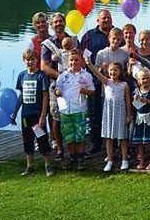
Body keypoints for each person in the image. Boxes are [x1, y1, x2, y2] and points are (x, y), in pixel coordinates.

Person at [40, 12, 78, 160]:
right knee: (57, 117)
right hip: (57, 88)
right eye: (55, 22)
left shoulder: (74, 41)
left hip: (74, 87)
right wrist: (61, 77)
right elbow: (44, 67)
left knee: (74, 116)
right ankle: (60, 149)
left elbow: (79, 59)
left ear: (65, 23)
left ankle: (75, 149)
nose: (58, 24)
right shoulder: (48, 45)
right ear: (51, 25)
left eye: (61, 21)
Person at [12, 49, 54, 176]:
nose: (30, 62)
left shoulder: (41, 76)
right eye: (27, 59)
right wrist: (15, 112)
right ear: (24, 61)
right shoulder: (21, 76)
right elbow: (21, 95)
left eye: (32, 59)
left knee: (41, 138)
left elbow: (45, 96)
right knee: (27, 139)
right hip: (26, 115)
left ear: (37, 60)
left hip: (37, 116)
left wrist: (42, 116)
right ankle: (29, 166)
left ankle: (48, 165)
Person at [54, 49, 95, 170]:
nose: (74, 62)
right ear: (68, 61)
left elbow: (92, 91)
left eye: (76, 60)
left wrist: (84, 91)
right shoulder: (63, 76)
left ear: (81, 61)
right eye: (71, 60)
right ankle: (72, 157)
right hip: (65, 110)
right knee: (69, 135)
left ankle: (81, 157)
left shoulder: (86, 75)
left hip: (79, 109)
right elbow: (57, 89)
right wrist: (57, 92)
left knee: (80, 134)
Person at [86, 61, 131, 172]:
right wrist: (90, 64)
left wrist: (129, 115)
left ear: (120, 72)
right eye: (111, 70)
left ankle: (124, 159)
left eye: (115, 70)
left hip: (121, 112)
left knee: (123, 137)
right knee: (109, 138)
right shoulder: (106, 82)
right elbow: (97, 73)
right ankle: (110, 160)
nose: (113, 72)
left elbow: (128, 101)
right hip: (109, 113)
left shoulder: (124, 85)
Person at [82, 10, 114, 154]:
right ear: (98, 20)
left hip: (114, 83)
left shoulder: (116, 34)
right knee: (95, 112)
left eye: (108, 18)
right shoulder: (89, 36)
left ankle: (114, 144)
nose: (106, 20)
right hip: (94, 81)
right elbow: (83, 59)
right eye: (103, 18)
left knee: (112, 112)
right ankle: (95, 143)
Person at [131, 68, 150, 170]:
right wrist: (135, 100)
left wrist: (147, 100)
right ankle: (141, 160)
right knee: (140, 141)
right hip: (139, 118)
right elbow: (135, 106)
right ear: (138, 80)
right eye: (143, 79)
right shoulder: (136, 91)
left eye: (147, 78)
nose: (145, 81)